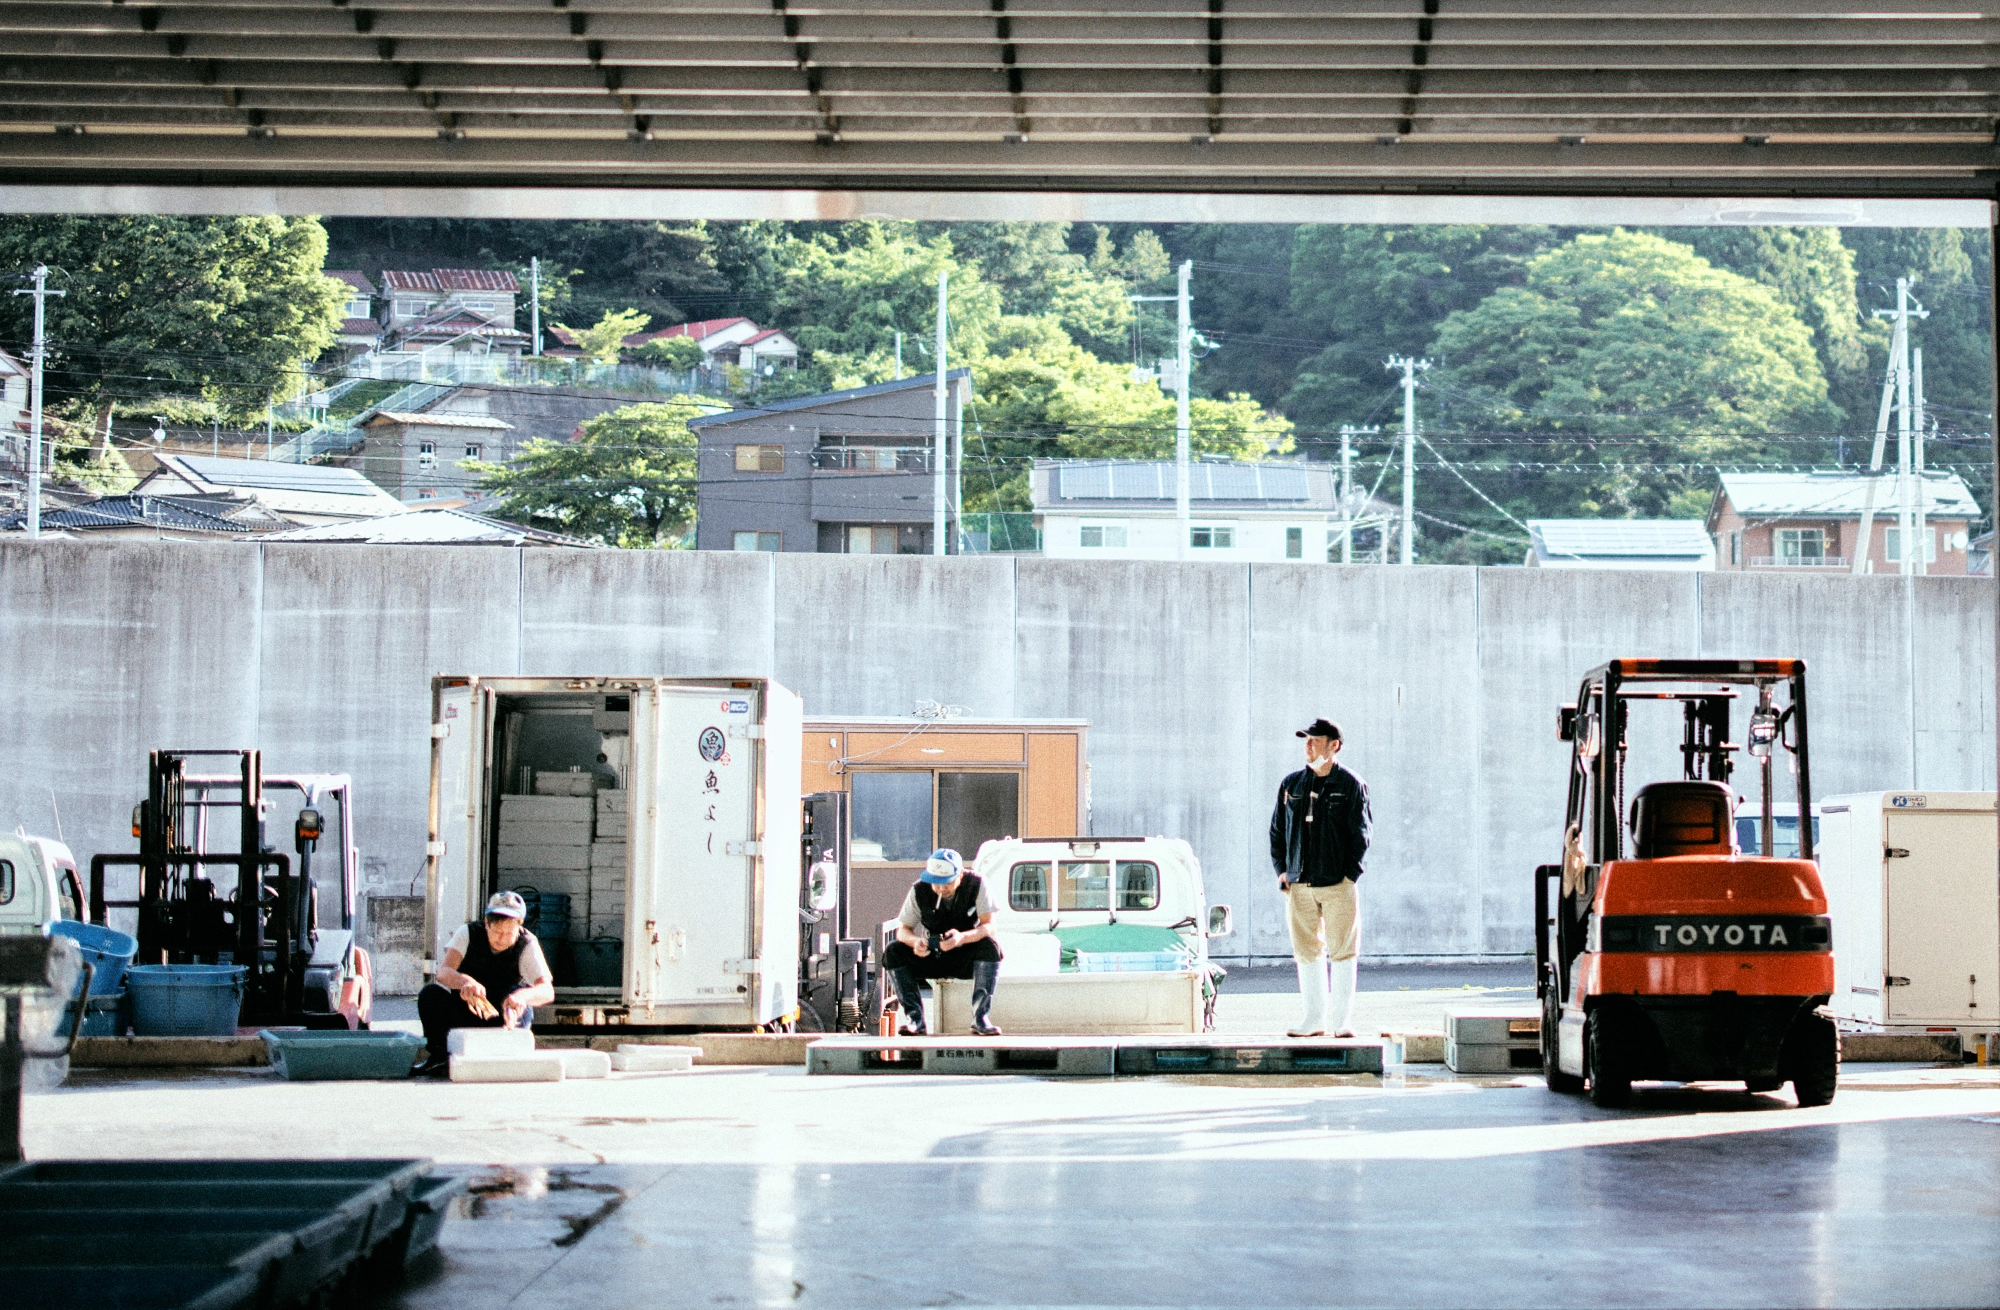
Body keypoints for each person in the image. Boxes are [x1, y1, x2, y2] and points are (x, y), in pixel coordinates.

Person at [1269, 718, 1371, 1038]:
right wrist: (1282, 869)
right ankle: (1314, 1019)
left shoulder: (1351, 784)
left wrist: (1350, 875)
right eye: (1306, 740)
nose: (1308, 745)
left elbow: (1361, 834)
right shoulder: (1292, 784)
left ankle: (1341, 1022)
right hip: (1299, 883)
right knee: (1306, 951)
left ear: (1334, 745)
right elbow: (1277, 831)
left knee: (1343, 951)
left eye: (1315, 739)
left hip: (1338, 883)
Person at [416, 890, 557, 1074]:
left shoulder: (527, 943)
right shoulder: (467, 933)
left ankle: (508, 1058)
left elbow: (547, 990)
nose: (502, 939)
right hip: (465, 1010)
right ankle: (440, 1058)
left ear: (519, 925)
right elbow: (443, 972)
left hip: (503, 1015)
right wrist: (464, 982)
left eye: (509, 933)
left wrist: (522, 997)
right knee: (430, 994)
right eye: (497, 932)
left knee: (523, 1008)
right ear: (486, 923)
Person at [880, 848, 1004, 1036]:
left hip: (965, 955)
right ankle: (915, 1019)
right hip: (932, 955)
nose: (941, 888)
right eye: (935, 883)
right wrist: (916, 942)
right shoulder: (919, 889)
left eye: (947, 883)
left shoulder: (977, 884)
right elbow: (903, 930)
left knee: (990, 946)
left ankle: (980, 1018)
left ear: (960, 875)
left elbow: (990, 926)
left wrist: (962, 938)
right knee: (893, 951)